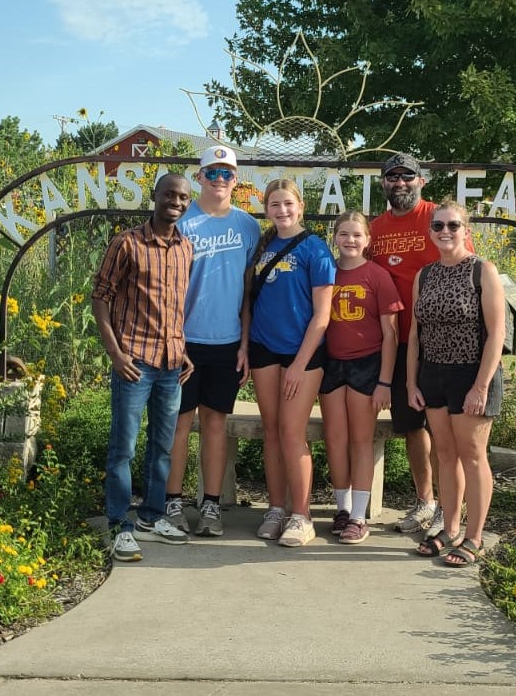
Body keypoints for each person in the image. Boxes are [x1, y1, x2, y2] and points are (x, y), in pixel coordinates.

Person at [368, 153, 474, 538]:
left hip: (444, 342)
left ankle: (450, 509)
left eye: (407, 176)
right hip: (397, 343)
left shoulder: (440, 219)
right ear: (383, 183)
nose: (400, 183)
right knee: (413, 426)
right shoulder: (375, 229)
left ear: (421, 180)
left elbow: (468, 272)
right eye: (392, 177)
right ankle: (425, 500)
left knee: (445, 430)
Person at [91, 172, 195, 562]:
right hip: (134, 362)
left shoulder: (186, 248)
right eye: (169, 194)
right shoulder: (127, 243)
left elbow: (175, 306)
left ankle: (152, 516)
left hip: (172, 364)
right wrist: (116, 354)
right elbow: (100, 298)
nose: (177, 202)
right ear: (155, 197)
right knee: (124, 448)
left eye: (183, 197)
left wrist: (181, 347)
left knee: (163, 448)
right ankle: (120, 524)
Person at [163, 146, 261, 539]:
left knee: (216, 425)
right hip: (184, 341)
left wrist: (245, 344)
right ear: (199, 176)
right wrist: (174, 339)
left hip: (227, 341)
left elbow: (248, 289)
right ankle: (172, 502)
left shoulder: (248, 226)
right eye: (213, 173)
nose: (220, 180)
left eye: (228, 174)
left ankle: (211, 506)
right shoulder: (181, 222)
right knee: (179, 426)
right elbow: (167, 288)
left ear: (236, 180)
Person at [407, 199, 504, 568]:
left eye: (453, 225)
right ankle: (449, 529)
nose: (445, 232)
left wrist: (481, 386)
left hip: (471, 373)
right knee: (445, 455)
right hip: (433, 374)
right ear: (430, 232)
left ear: (466, 230)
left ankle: (474, 536)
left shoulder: (483, 271)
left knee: (473, 456)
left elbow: (497, 334)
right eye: (438, 226)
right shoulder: (426, 275)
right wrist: (411, 382)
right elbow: (415, 333)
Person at [250, 179, 335, 547]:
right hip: (263, 347)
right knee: (271, 429)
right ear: (266, 209)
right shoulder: (263, 246)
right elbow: (250, 302)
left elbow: (322, 315)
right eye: (274, 205)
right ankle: (276, 507)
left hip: (303, 352)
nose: (281, 211)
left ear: (300, 206)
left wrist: (300, 364)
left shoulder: (316, 249)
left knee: (291, 431)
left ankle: (301, 514)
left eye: (288, 204)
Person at [319, 211, 403, 544]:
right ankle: (341, 509)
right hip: (332, 364)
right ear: (335, 238)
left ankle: (358, 515)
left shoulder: (377, 276)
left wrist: (384, 381)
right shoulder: (327, 273)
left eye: (357, 234)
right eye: (343, 234)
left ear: (368, 240)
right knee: (335, 440)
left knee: (360, 440)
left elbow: (391, 335)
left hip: (366, 365)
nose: (350, 240)